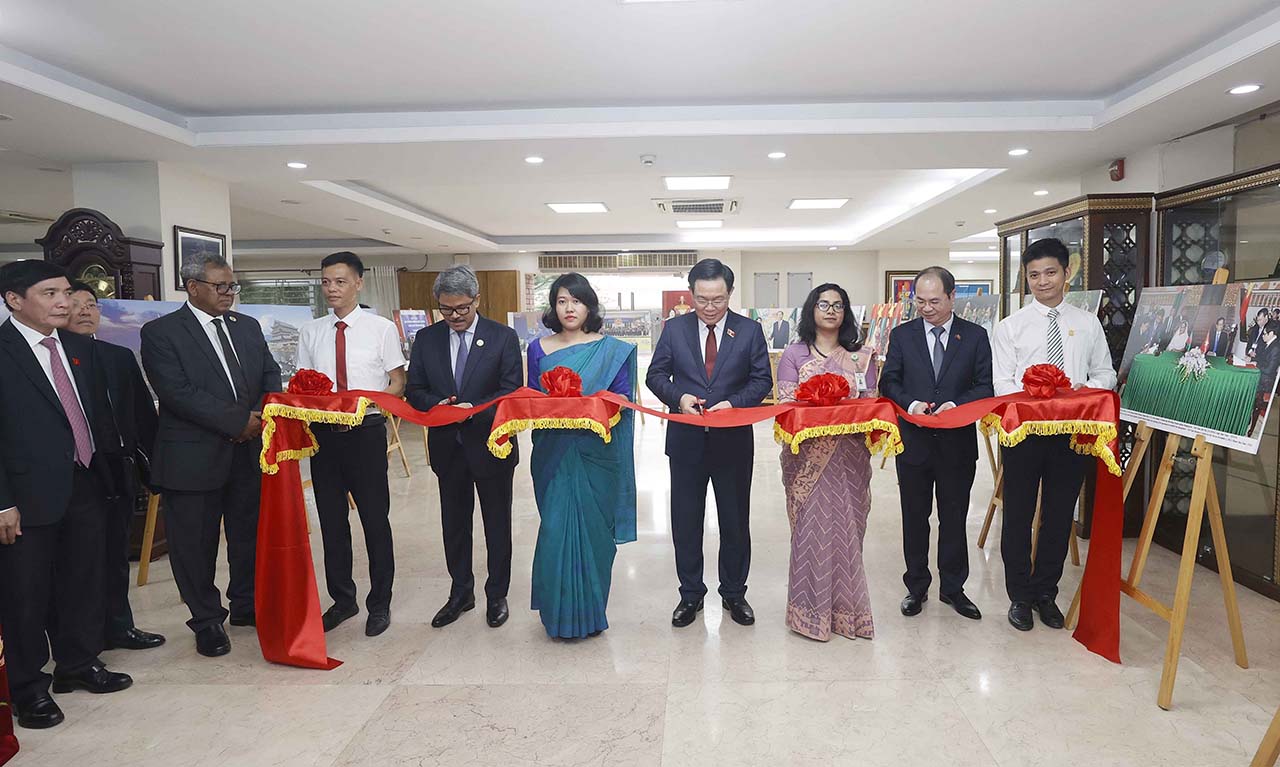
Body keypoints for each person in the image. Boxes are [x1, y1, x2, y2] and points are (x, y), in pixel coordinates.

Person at [0, 261, 132, 730]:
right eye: (50, 293)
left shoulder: (78, 348)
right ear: (15, 300)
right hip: (24, 495)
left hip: (85, 482)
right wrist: (2, 501)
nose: (64, 302)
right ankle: (27, 688)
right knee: (26, 595)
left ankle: (77, 663)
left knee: (83, 581)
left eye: (65, 293)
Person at [140, 254, 282, 657]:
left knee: (248, 535)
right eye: (221, 286)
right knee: (194, 544)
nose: (229, 293)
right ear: (193, 287)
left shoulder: (246, 326)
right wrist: (238, 422)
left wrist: (259, 417)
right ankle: (206, 621)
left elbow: (270, 374)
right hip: (193, 458)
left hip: (249, 452)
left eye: (232, 286)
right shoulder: (162, 333)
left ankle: (246, 604)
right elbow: (176, 393)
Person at [991, 238, 1116, 632]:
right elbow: (1001, 384)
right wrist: (1034, 395)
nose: (1042, 281)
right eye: (1033, 275)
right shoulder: (1010, 327)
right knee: (1018, 514)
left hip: (1072, 433)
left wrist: (1081, 390)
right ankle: (1019, 596)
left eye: (1050, 272)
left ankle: (1045, 592)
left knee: (1060, 515)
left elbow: (1106, 374)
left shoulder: (1087, 323)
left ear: (1066, 272)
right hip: (1023, 434)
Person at [646, 258, 772, 628]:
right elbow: (656, 375)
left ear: (730, 293)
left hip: (732, 442)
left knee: (735, 521)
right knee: (686, 522)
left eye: (718, 299)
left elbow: (762, 380)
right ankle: (690, 594)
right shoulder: (675, 329)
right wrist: (679, 397)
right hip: (686, 442)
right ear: (691, 294)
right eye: (702, 299)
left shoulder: (749, 331)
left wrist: (734, 404)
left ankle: (734, 593)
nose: (710, 307)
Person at [297, 252, 407, 638]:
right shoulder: (311, 332)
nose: (332, 289)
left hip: (365, 433)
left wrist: (371, 404)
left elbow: (397, 381)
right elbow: (303, 386)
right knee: (331, 522)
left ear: (358, 283)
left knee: (375, 520)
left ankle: (380, 602)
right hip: (324, 437)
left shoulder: (380, 328)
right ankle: (343, 600)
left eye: (340, 281)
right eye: (326, 282)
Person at [405, 265, 522, 630]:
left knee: (496, 524)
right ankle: (460, 593)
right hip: (448, 447)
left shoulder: (502, 337)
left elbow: (511, 390)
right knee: (454, 525)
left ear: (477, 300)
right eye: (446, 309)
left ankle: (497, 594)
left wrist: (473, 410)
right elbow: (414, 390)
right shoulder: (426, 339)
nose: (454, 316)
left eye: (461, 308)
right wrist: (439, 405)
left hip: (491, 444)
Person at [525, 273, 637, 638]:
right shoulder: (538, 349)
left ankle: (590, 615)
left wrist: (586, 407)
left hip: (596, 454)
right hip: (552, 453)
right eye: (561, 301)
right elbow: (532, 398)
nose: (569, 308)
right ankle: (557, 617)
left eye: (576, 301)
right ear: (553, 307)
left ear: (589, 306)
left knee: (595, 535)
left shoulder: (611, 350)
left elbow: (621, 399)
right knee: (555, 531)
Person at [879, 267, 992, 622]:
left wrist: (956, 405)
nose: (926, 308)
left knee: (954, 518)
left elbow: (985, 386)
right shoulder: (903, 335)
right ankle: (916, 586)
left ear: (952, 296)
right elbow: (889, 382)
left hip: (957, 445)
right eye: (920, 301)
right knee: (915, 517)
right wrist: (911, 404)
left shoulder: (974, 336)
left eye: (935, 301)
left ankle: (953, 588)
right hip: (913, 442)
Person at [65, 283, 166, 651]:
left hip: (118, 467)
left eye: (91, 304)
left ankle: (120, 627)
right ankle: (82, 641)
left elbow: (142, 414)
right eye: (75, 304)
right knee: (79, 561)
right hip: (75, 472)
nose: (85, 311)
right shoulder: (53, 360)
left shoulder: (118, 356)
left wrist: (155, 468)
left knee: (116, 552)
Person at [775, 283, 878, 641]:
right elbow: (786, 405)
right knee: (810, 531)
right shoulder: (794, 354)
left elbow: (870, 404)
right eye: (823, 304)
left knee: (847, 528)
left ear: (846, 312)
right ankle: (808, 614)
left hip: (849, 456)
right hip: (807, 458)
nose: (831, 311)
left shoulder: (861, 357)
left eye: (838, 305)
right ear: (811, 310)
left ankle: (847, 615)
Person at [1250, 320, 1280, 435]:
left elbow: (1269, 370)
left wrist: (1256, 364)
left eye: (1264, 333)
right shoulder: (1269, 344)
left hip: (1266, 382)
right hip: (1262, 376)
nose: (1263, 336)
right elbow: (1261, 359)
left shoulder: (1276, 348)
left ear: (1271, 333)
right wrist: (1253, 360)